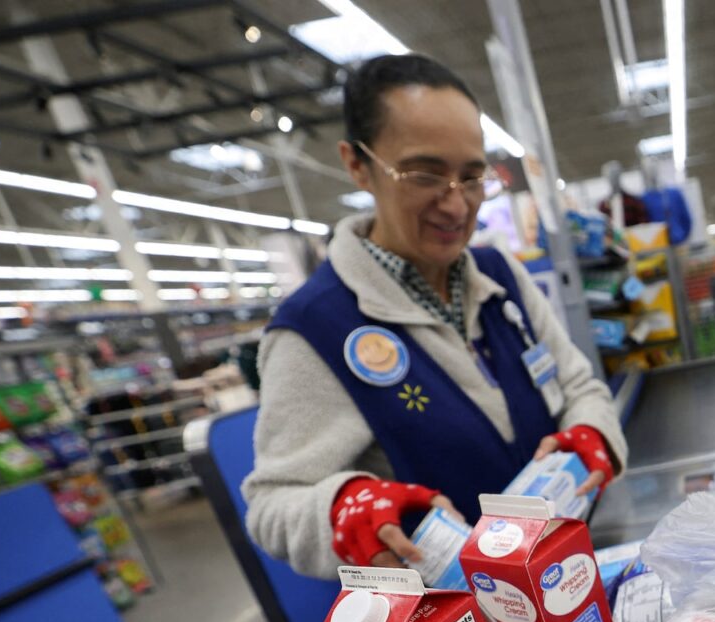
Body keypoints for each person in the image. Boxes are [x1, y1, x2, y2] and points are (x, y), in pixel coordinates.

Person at [243, 54, 626, 578]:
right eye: (425, 174)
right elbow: (273, 503)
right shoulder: (316, 329)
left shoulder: (501, 278)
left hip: (565, 578)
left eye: (472, 178)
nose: (456, 205)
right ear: (357, 164)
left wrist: (593, 433)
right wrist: (345, 510)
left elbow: (581, 386)